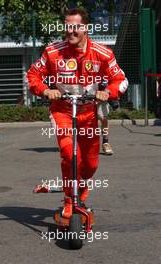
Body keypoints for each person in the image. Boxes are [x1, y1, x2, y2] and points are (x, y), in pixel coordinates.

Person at [27, 8, 128, 218]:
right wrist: (46, 90)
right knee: (70, 154)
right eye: (67, 27)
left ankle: (79, 192)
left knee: (90, 163)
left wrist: (108, 92)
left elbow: (121, 80)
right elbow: (33, 76)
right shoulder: (53, 52)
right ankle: (69, 198)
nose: (70, 31)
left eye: (75, 27)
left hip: (89, 115)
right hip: (62, 112)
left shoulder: (103, 53)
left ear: (86, 28)